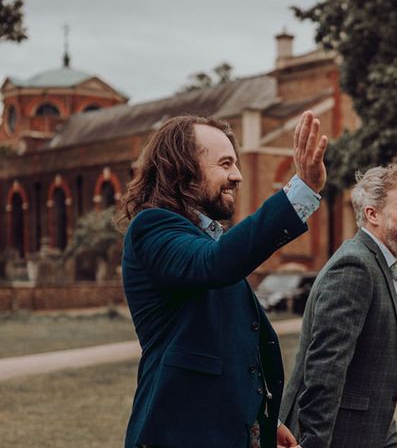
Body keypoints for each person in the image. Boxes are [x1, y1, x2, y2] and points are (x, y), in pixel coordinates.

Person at [119, 111, 327, 448]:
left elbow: (228, 348)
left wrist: (260, 423)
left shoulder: (209, 243)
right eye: (225, 164)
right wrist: (301, 190)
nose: (238, 175)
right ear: (183, 169)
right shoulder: (152, 227)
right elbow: (214, 264)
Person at [281, 163, 397, 448]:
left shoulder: (379, 264)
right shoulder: (355, 266)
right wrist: (312, 443)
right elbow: (324, 369)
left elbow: (374, 378)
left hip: (371, 433)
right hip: (333, 436)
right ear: (372, 214)